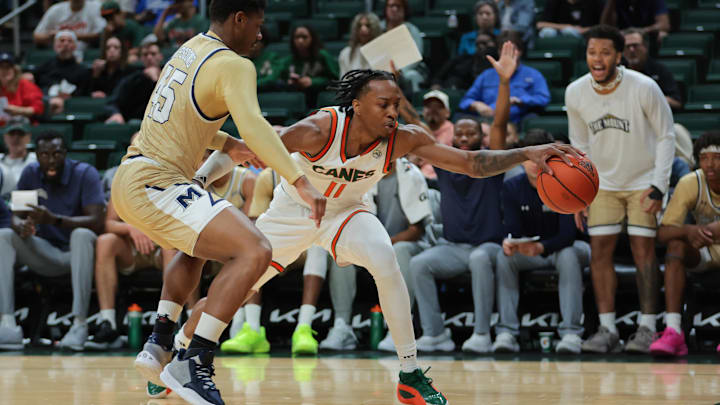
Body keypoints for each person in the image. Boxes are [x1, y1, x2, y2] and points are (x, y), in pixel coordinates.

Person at [192, 41, 579, 404]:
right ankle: (180, 353)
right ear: (357, 105)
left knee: (385, 258)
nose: (393, 112)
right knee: (236, 290)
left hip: (346, 211)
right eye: (383, 105)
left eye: (396, 104)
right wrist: (200, 181)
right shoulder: (318, 129)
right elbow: (248, 147)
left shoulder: (403, 138)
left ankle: (409, 373)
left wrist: (526, 151)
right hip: (294, 211)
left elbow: (471, 163)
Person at [113, 0, 326, 403]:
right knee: (255, 250)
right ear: (239, 18)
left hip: (138, 176)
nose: (260, 35)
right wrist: (301, 182)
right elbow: (256, 124)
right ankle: (193, 363)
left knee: (203, 247)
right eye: (258, 25)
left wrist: (235, 146)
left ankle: (160, 343)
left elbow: (185, 121)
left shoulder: (189, 48)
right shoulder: (234, 64)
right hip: (156, 181)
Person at [566, 25, 675, 354]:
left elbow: (667, 135)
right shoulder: (575, 92)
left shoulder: (643, 86)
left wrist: (658, 185)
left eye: (604, 52)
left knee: (644, 251)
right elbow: (579, 146)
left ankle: (646, 326)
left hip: (644, 181)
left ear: (618, 55)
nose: (597, 59)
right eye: (591, 52)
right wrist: (580, 193)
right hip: (602, 185)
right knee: (599, 253)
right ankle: (607, 328)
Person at [0, 131, 104, 351]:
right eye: (44, 154)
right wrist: (21, 225)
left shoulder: (85, 173)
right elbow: (17, 214)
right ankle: (8, 324)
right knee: (4, 235)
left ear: (65, 153)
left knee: (82, 234)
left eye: (56, 153)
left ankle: (79, 324)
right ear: (36, 155)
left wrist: (55, 220)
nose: (51, 159)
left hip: (80, 257)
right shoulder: (31, 173)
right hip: (46, 252)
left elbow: (97, 221)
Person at [320, 157, 433, 352]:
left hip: (409, 245)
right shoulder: (359, 174)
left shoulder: (411, 174)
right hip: (370, 244)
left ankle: (397, 330)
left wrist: (382, 245)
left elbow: (416, 230)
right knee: (339, 252)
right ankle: (342, 326)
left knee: (400, 251)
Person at [494, 130, 590, 354]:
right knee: (504, 257)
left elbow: (568, 235)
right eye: (529, 158)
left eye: (543, 157)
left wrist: (540, 247)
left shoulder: (566, 181)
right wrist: (512, 243)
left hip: (572, 248)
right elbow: (512, 229)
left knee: (568, 255)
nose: (535, 164)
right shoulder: (511, 187)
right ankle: (506, 332)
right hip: (533, 251)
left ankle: (571, 333)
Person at [651, 132, 720, 357]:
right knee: (676, 247)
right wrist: (688, 230)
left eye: (716, 157)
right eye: (704, 158)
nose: (710, 164)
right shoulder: (691, 182)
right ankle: (673, 331)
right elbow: (662, 234)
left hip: (708, 241)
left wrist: (708, 230)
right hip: (705, 251)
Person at [91, 198, 176, 350]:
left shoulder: (171, 179)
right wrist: (130, 228)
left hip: (165, 244)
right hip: (131, 247)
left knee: (174, 248)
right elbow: (109, 224)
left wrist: (154, 232)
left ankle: (174, 321)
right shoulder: (124, 180)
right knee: (105, 241)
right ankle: (108, 323)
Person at [460, 30, 550, 125]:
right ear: (499, 52)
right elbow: (465, 101)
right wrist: (477, 105)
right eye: (504, 50)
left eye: (513, 49)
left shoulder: (533, 74)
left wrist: (520, 100)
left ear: (520, 51)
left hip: (519, 120)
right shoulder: (486, 75)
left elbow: (543, 98)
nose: (508, 53)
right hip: (489, 121)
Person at [278, 24, 339, 108]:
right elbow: (280, 80)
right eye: (297, 37)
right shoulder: (289, 60)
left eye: (304, 37)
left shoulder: (323, 56)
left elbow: (335, 80)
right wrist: (289, 83)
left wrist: (313, 81)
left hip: (319, 99)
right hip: (296, 100)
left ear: (312, 38)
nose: (300, 41)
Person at [622, 28, 682, 110]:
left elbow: (676, 102)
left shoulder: (660, 70)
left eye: (635, 45)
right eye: (627, 46)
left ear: (645, 47)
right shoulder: (617, 71)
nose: (631, 50)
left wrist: (650, 98)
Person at [32, 31, 90, 114]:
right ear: (55, 46)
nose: (65, 44)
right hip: (45, 104)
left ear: (75, 47)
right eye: (62, 40)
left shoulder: (82, 71)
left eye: (69, 41)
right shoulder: (44, 67)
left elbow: (84, 94)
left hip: (72, 108)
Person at [105, 41, 163, 123]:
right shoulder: (132, 79)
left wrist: (155, 80)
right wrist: (116, 113)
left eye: (153, 54)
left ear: (160, 57)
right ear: (141, 58)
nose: (149, 57)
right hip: (135, 123)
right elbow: (113, 101)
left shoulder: (170, 77)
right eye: (145, 54)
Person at [380, 0, 427, 93]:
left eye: (398, 6)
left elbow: (416, 56)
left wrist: (399, 72)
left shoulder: (412, 30)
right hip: (382, 68)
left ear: (404, 10)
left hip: (405, 70)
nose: (394, 9)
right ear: (386, 9)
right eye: (391, 6)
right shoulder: (378, 28)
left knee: (411, 75)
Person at [33, 0, 106, 58]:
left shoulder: (95, 7)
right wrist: (52, 36)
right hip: (59, 56)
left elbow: (101, 34)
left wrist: (68, 35)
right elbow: (37, 36)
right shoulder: (56, 9)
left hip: (86, 54)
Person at [601, 0, 670, 45]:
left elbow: (664, 24)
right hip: (621, 37)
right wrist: (611, 2)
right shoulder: (614, 2)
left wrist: (643, 30)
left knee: (662, 33)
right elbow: (604, 27)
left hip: (646, 37)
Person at [0, 52, 44, 121]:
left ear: (14, 69)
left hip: (22, 125)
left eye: (8, 67)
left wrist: (19, 110)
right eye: (1, 67)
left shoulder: (25, 85)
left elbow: (38, 108)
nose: (5, 71)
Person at [0, 117, 37, 199]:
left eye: (21, 134)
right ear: (5, 137)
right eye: (12, 134)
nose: (16, 138)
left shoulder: (37, 161)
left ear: (29, 137)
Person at [338, 12, 382, 77]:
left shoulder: (382, 53)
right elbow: (343, 83)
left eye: (368, 25)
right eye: (359, 26)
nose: (363, 29)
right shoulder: (345, 54)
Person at [536, 0, 603, 38]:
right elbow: (540, 24)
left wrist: (584, 30)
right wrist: (564, 27)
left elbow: (603, 26)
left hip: (585, 35)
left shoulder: (594, 2)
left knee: (569, 32)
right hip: (558, 34)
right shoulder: (554, 2)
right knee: (548, 32)